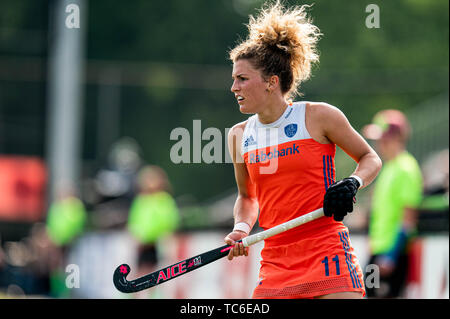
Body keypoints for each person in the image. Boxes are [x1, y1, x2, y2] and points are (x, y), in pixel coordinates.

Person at [224, 1, 382, 299]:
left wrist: (352, 182)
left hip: (326, 253)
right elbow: (247, 197)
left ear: (271, 83)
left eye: (242, 79)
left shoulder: (319, 116)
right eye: (234, 79)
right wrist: (242, 228)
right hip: (275, 265)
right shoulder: (239, 135)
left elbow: (369, 158)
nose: (234, 87)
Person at [362, 109, 423, 298]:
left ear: (396, 138)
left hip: (391, 255)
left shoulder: (406, 169)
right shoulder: (390, 167)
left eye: (383, 139)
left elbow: (408, 219)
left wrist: (391, 256)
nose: (379, 144)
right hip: (379, 251)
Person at [127, 165, 179, 298]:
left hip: (155, 243)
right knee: (138, 272)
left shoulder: (163, 199)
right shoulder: (141, 200)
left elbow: (168, 221)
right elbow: (134, 220)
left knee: (154, 274)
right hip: (141, 243)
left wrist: (153, 236)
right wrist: (137, 236)